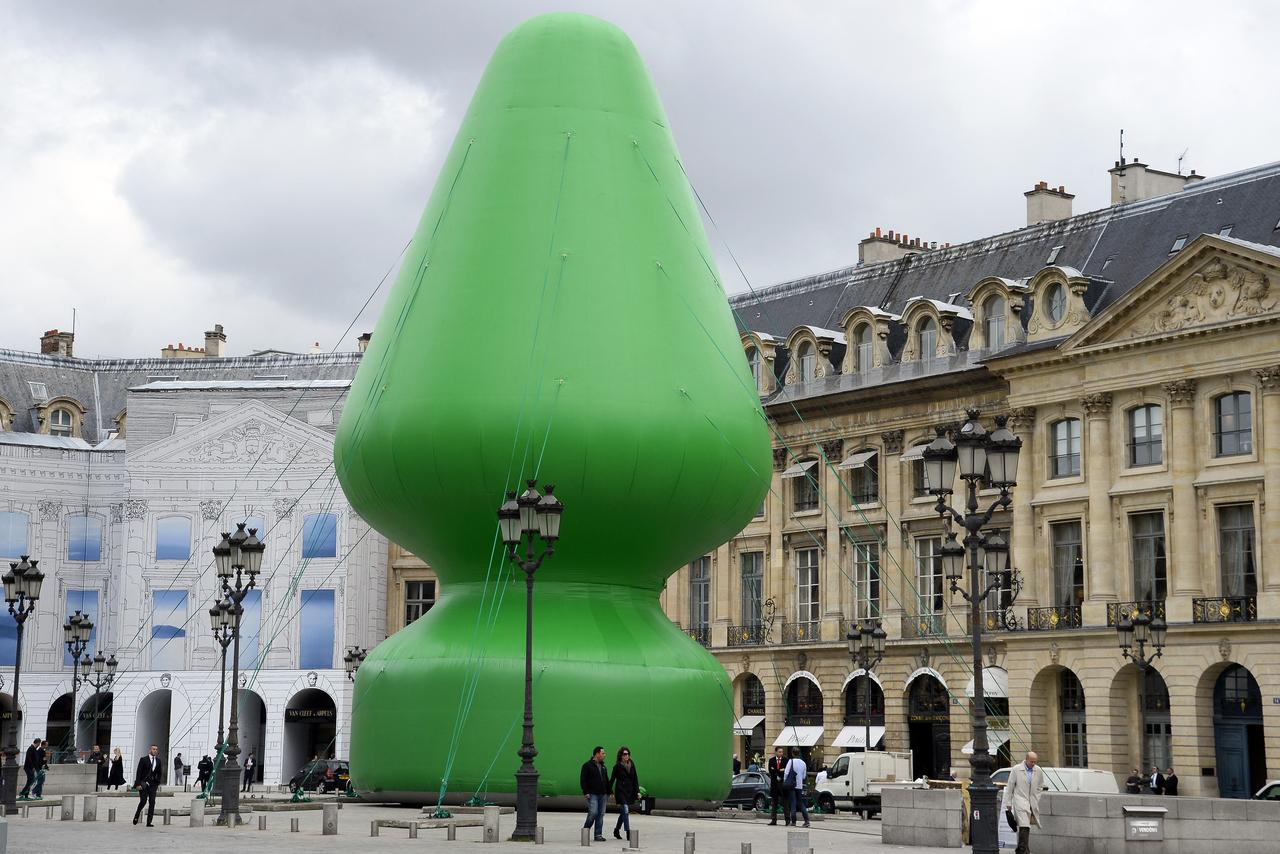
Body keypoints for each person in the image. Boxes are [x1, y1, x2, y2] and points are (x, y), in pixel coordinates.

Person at [1001, 751, 1045, 854]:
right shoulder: (1016, 769)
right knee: (1024, 824)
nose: (1033, 764)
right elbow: (1010, 786)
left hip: (1032, 801)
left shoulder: (1038, 770)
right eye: (1031, 761)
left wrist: (1037, 797)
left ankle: (1020, 848)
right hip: (1019, 799)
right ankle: (1024, 850)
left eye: (1035, 762)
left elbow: (1040, 786)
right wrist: (1008, 803)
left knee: (1025, 825)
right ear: (1026, 759)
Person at [580, 745, 611, 842]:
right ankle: (586, 829)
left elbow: (606, 780)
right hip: (592, 794)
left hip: (603, 794)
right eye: (603, 753)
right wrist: (586, 792)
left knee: (601, 814)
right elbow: (583, 780)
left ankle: (598, 835)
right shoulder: (587, 766)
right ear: (597, 754)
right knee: (593, 812)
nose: (604, 755)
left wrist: (610, 792)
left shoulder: (603, 767)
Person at [610, 746, 639, 840]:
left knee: (623, 813)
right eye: (624, 754)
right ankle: (628, 832)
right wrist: (609, 791)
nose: (627, 756)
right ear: (621, 756)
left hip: (629, 792)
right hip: (620, 791)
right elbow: (612, 780)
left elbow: (635, 779)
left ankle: (616, 830)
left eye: (628, 754)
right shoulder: (617, 766)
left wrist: (637, 791)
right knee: (626, 810)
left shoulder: (632, 764)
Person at [133, 743, 162, 827]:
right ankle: (137, 815)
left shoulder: (158, 760)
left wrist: (158, 782)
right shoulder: (143, 759)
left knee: (152, 802)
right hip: (143, 784)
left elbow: (159, 772)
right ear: (150, 750)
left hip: (153, 785)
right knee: (143, 801)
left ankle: (149, 822)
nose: (155, 751)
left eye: (156, 749)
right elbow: (139, 772)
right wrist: (138, 784)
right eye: (153, 749)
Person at [782, 749, 810, 828]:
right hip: (799, 785)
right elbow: (804, 776)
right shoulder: (803, 763)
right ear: (799, 753)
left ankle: (793, 821)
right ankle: (806, 820)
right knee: (801, 803)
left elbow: (786, 773)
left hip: (791, 785)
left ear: (792, 753)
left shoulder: (791, 761)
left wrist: (785, 781)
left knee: (793, 802)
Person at [766, 746, 787, 826]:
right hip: (774, 785)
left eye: (782, 752)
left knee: (785, 802)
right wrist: (780, 770)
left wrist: (776, 770)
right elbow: (771, 771)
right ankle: (773, 820)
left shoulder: (786, 760)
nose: (781, 753)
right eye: (779, 752)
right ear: (776, 752)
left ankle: (787, 820)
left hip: (783, 784)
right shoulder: (771, 760)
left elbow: (786, 771)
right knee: (774, 803)